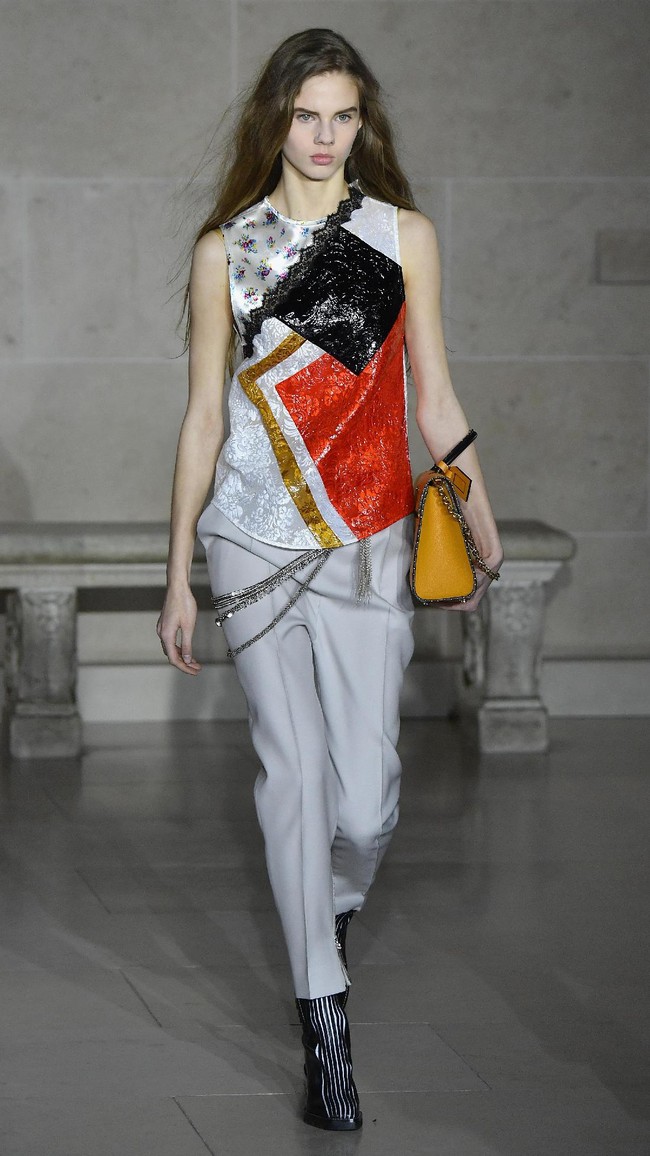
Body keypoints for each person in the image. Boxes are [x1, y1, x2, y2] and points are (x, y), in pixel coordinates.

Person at [157, 28, 503, 1132]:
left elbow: (432, 393)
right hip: (250, 540)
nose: (323, 136)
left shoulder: (401, 237)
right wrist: (176, 571)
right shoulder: (228, 249)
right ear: (275, 119)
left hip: (367, 542)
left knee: (367, 799)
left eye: (342, 116)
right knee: (293, 771)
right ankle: (323, 1016)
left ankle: (329, 908)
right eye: (305, 115)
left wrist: (478, 508)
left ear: (363, 123)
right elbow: (205, 418)